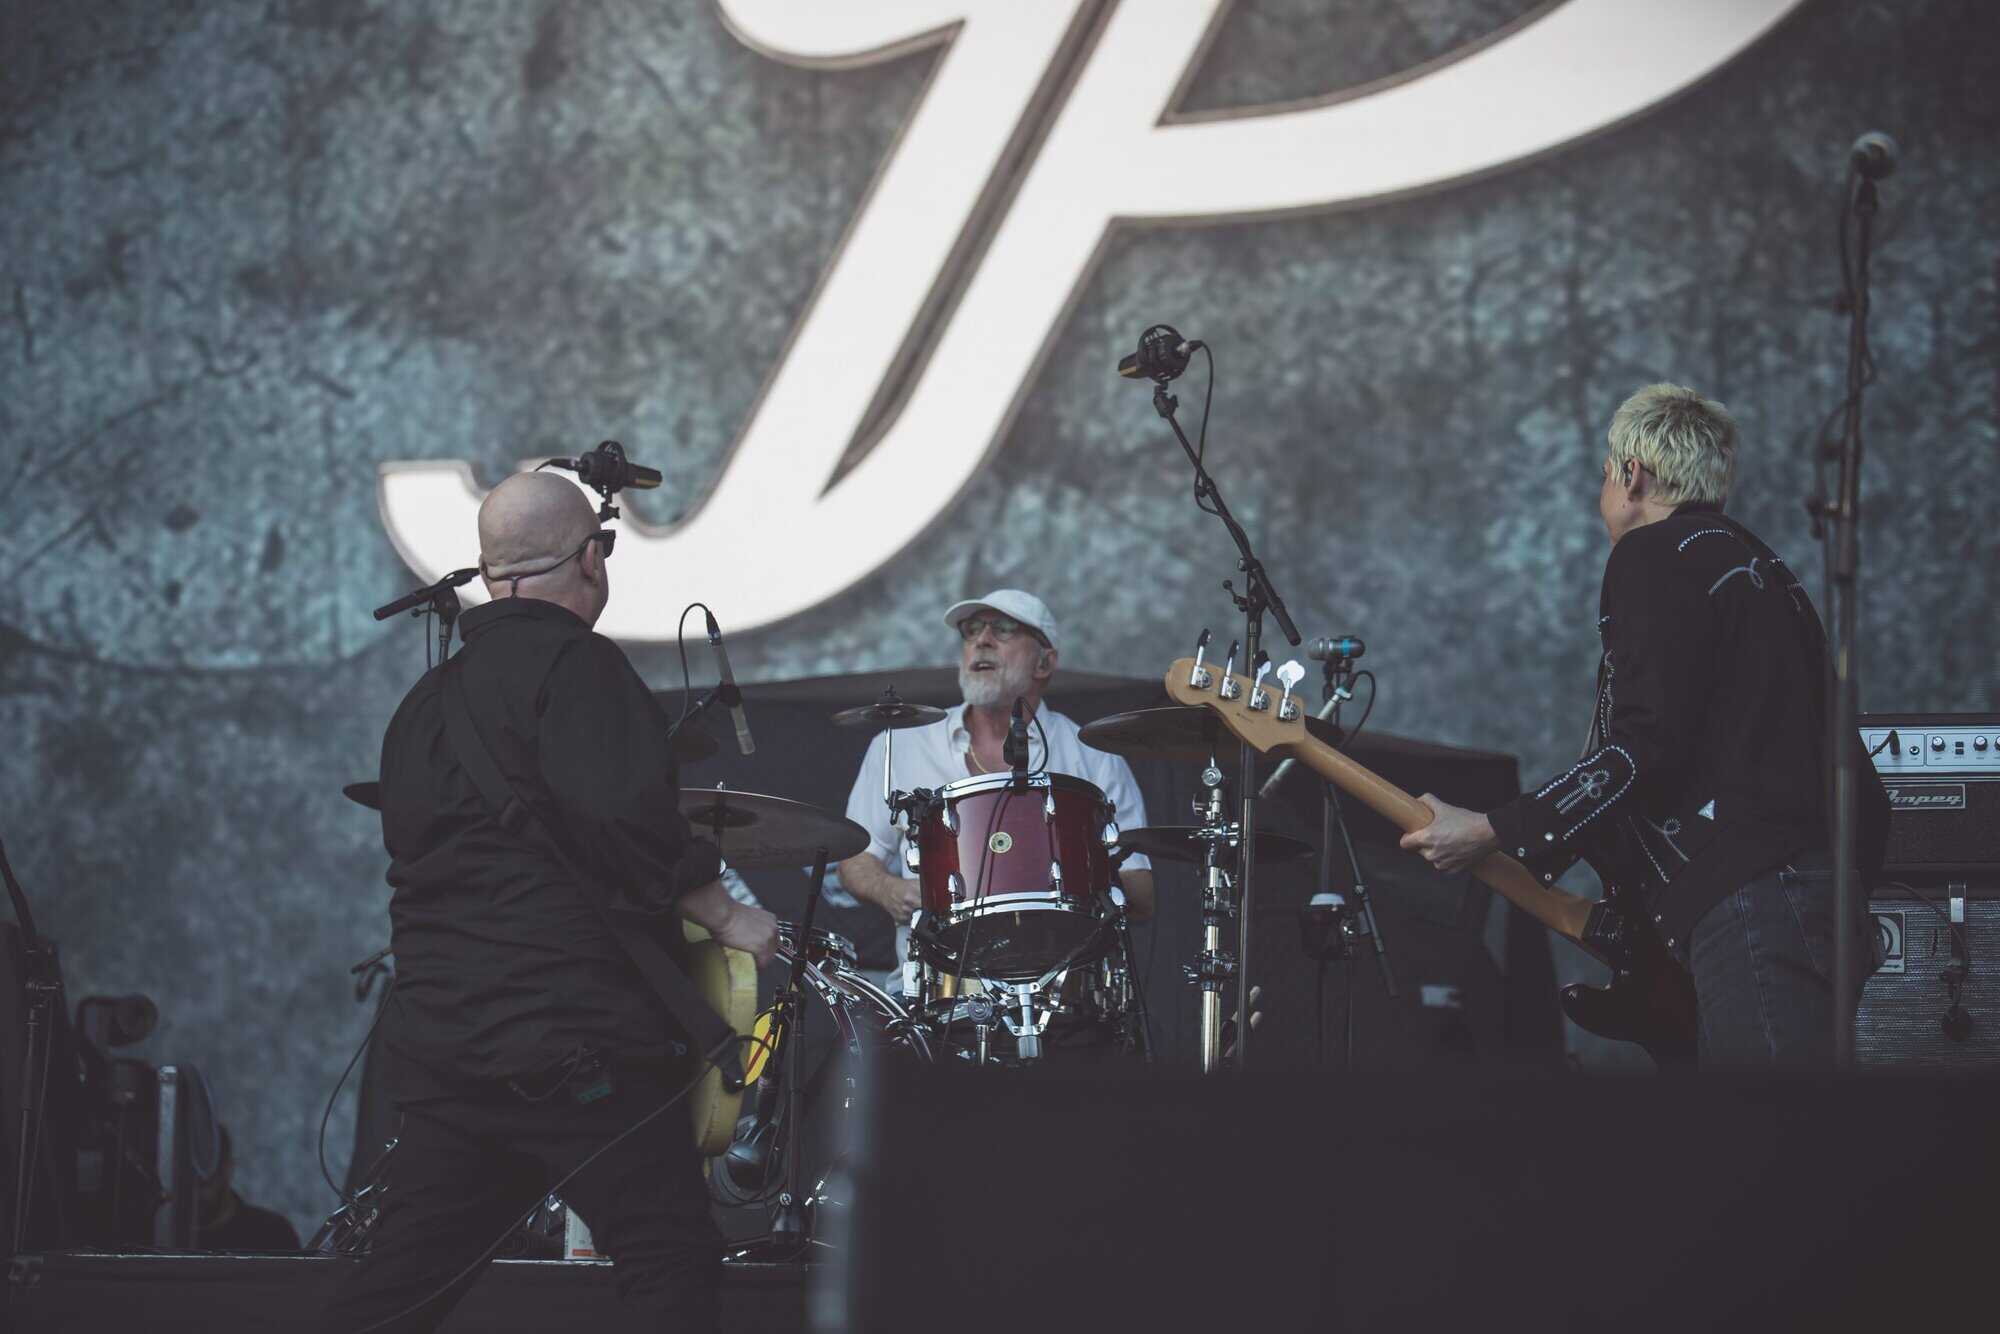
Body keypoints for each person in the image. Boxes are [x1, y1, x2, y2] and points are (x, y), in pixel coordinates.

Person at [319, 472, 778, 1333]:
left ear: (490, 572)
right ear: (592, 560)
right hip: (576, 1049)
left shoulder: (423, 706)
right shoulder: (581, 668)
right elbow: (625, 821)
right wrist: (727, 914)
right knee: (670, 1258)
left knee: (397, 1291)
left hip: (451, 1049)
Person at [1399, 383, 1887, 1067]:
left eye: (1605, 474)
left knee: (1774, 1129)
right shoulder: (1767, 571)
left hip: (1753, 902)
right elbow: (1843, 778)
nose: (1603, 495)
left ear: (1633, 475)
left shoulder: (1655, 552)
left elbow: (1643, 748)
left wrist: (1490, 829)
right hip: (1824, 900)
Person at [838, 591, 1155, 993]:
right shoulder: (902, 745)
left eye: (1004, 629)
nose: (982, 640)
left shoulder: (1093, 756)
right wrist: (891, 890)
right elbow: (854, 860)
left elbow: (1142, 894)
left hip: (1060, 996)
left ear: (1044, 663)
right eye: (971, 630)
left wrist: (1070, 872)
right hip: (933, 997)